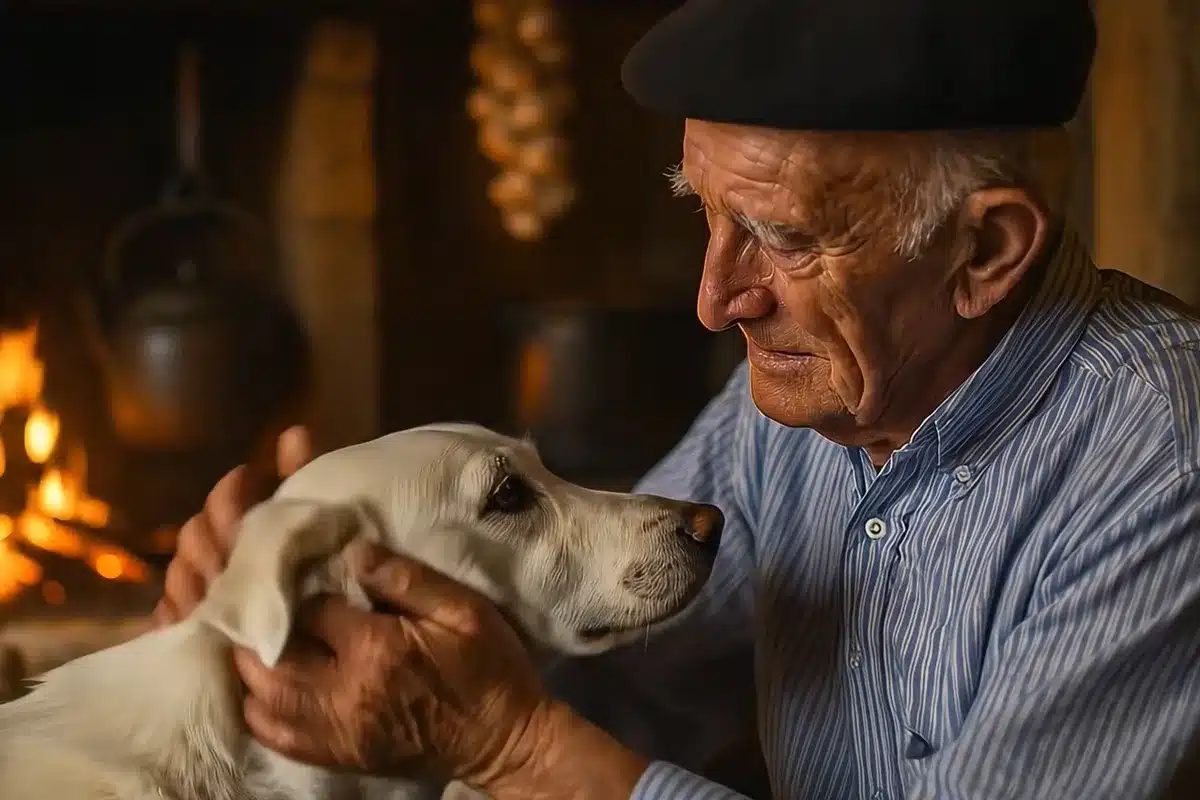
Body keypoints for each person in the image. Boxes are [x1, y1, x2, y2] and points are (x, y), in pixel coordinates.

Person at [155, 0, 1200, 797]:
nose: (716, 300)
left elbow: (521, 726)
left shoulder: (1163, 451)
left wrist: (516, 748)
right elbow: (591, 663)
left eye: (784, 237)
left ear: (985, 249)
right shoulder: (799, 409)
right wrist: (299, 621)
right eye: (706, 216)